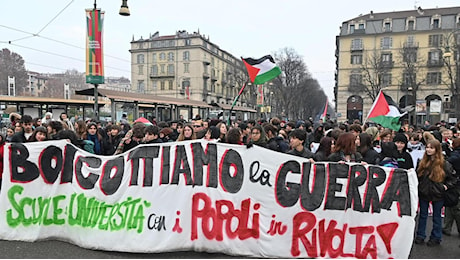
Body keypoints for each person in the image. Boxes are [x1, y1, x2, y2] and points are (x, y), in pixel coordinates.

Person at [415, 139, 457, 246]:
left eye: (431, 148)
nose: (428, 150)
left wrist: (445, 187)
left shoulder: (444, 163)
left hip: (438, 193)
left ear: (437, 149)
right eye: (427, 147)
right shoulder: (422, 162)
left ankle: (436, 237)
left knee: (436, 216)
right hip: (424, 192)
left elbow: (453, 178)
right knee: (423, 215)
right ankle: (420, 235)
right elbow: (417, 176)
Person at [443, 138, 460, 237]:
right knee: (452, 204)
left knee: (454, 206)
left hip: (455, 182)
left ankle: (447, 227)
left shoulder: (455, 157)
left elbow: (448, 163)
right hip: (455, 182)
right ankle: (447, 227)